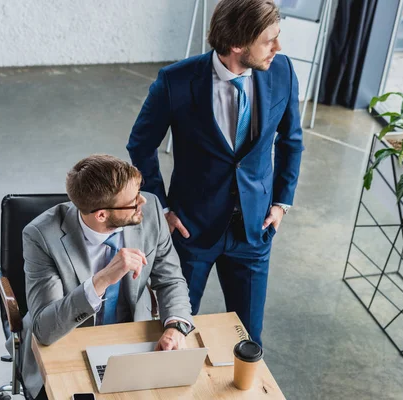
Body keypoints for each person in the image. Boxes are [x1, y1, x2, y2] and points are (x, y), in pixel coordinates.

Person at [127, 0, 303, 346]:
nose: (278, 48)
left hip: (254, 231)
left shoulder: (282, 71)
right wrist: (161, 209)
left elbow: (291, 141)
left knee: (251, 340)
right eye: (269, 40)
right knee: (171, 332)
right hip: (191, 231)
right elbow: (141, 145)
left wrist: (281, 203)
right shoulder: (175, 81)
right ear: (237, 45)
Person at [9, 155, 194, 400]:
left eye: (139, 192)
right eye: (133, 201)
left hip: (133, 337)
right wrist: (102, 280)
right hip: (67, 340)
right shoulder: (41, 236)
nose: (143, 202)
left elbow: (171, 279)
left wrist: (176, 325)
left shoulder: (151, 211)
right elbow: (45, 328)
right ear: (101, 215)